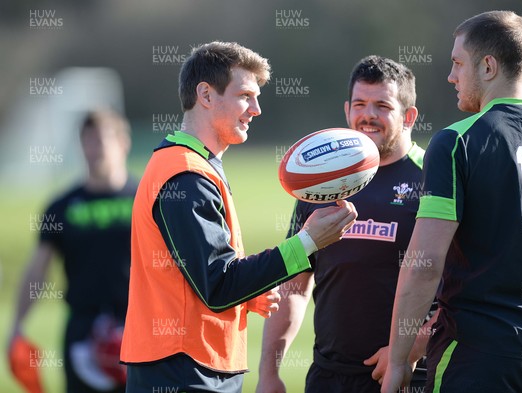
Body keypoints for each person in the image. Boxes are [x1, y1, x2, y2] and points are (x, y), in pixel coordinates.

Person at [382, 10, 522, 393]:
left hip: (479, 356)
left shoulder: (456, 142)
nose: (451, 76)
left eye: (457, 63)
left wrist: (399, 360)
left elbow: (424, 263)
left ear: (488, 66)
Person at [120, 41, 357, 393]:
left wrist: (247, 294)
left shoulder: (194, 165)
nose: (257, 109)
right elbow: (218, 285)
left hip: (191, 365)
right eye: (246, 95)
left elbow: (200, 278)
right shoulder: (185, 175)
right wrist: (307, 243)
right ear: (206, 94)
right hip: (184, 370)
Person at [256, 56, 437, 393]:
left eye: (382, 105)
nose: (368, 114)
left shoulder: (433, 178)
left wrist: (407, 352)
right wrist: (269, 373)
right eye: (359, 104)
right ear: (346, 110)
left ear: (409, 116)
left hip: (404, 377)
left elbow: (463, 291)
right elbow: (294, 285)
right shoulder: (322, 182)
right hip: (327, 376)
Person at [9, 109, 136, 393]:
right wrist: (17, 325)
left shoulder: (147, 199)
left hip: (139, 328)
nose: (94, 149)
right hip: (83, 333)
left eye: (101, 140)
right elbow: (37, 269)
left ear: (123, 143)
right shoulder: (62, 206)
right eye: (87, 140)